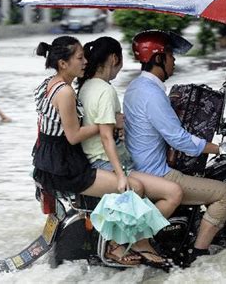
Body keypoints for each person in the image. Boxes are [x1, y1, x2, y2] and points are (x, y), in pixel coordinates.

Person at [32, 35, 147, 266]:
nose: (86, 61)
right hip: (66, 166)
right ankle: (113, 244)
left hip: (47, 160)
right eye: (80, 57)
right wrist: (107, 124)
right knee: (131, 188)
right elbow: (73, 136)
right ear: (64, 63)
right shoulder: (65, 92)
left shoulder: (49, 84)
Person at [123, 30, 226, 262]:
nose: (174, 61)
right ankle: (198, 255)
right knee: (225, 193)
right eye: (171, 55)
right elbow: (179, 139)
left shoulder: (135, 87)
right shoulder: (152, 93)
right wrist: (221, 148)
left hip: (138, 167)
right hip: (157, 173)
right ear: (158, 59)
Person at [77, 36, 182, 268]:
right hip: (107, 163)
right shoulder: (105, 90)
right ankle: (133, 241)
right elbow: (106, 137)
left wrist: (116, 124)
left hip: (93, 160)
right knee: (173, 192)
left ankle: (131, 239)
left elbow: (102, 127)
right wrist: (121, 175)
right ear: (114, 58)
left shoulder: (85, 87)